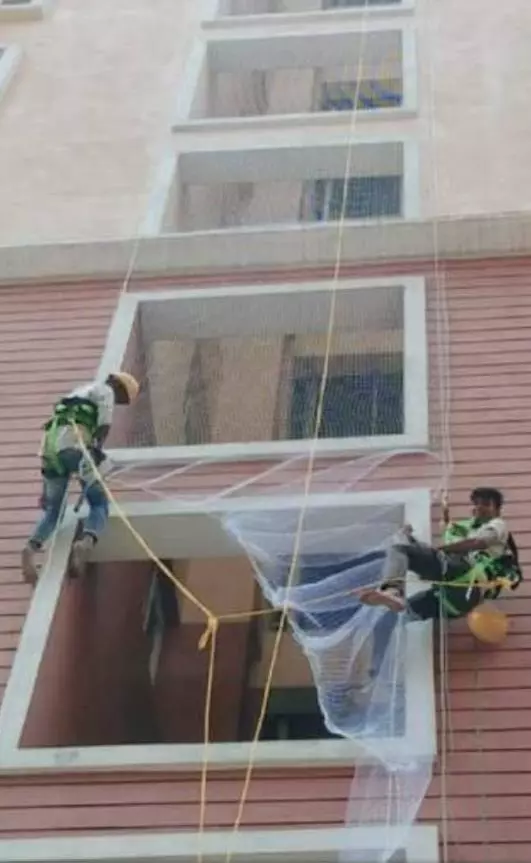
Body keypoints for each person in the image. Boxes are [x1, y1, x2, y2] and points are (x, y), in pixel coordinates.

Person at [22, 372, 139, 585]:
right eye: (121, 398)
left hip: (50, 451)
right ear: (118, 387)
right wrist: (96, 450)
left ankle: (31, 548)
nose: (118, 402)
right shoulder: (105, 391)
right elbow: (104, 422)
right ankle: (84, 542)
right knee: (99, 503)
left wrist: (44, 492)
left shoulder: (78, 392)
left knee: (53, 510)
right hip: (76, 446)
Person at [359, 487, 522, 622]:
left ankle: (392, 590)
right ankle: (394, 601)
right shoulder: (469, 529)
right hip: (459, 601)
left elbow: (476, 543)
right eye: (476, 503)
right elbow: (443, 551)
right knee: (404, 612)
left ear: (497, 509)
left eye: (486, 504)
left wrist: (437, 550)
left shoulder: (498, 524)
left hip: (467, 576)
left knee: (399, 549)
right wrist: (415, 542)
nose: (479, 507)